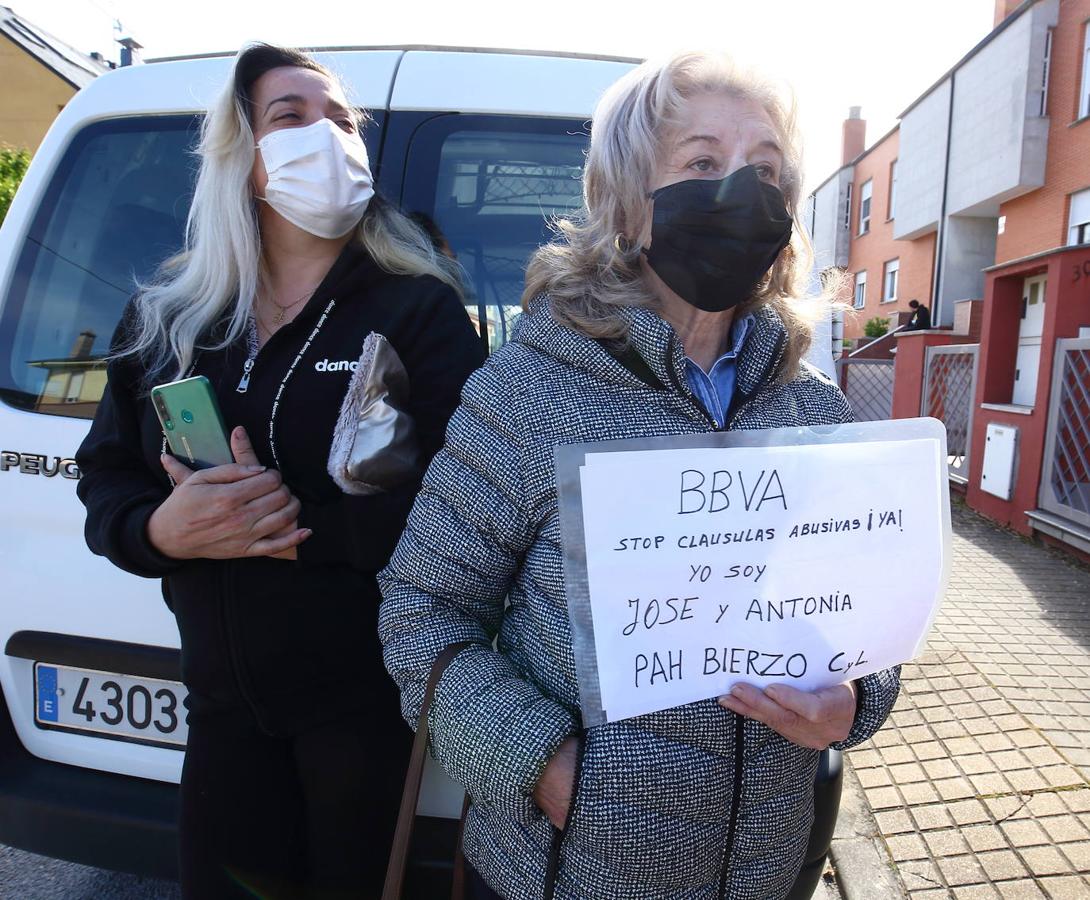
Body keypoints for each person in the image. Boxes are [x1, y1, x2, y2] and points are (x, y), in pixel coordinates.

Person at [378, 51, 901, 900]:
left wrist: (857, 702)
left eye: (762, 171)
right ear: (627, 200)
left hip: (759, 875)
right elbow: (422, 615)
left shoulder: (815, 413)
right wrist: (544, 766)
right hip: (560, 875)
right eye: (700, 163)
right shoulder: (531, 391)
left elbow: (865, 623)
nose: (736, 191)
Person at [75, 43, 484, 899]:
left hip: (361, 708)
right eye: (290, 117)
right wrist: (161, 530)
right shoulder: (170, 318)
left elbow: (466, 509)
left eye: (341, 120)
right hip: (221, 710)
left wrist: (297, 533)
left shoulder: (419, 307)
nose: (326, 136)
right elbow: (106, 478)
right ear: (244, 159)